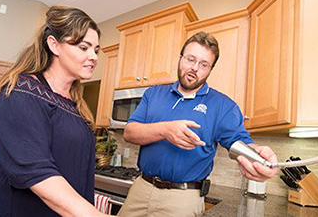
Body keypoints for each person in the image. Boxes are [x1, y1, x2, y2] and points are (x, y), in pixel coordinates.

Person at [118, 31, 279, 217]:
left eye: (203, 64)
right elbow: (129, 132)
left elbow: (239, 140)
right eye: (190, 59)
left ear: (210, 69)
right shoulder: (153, 93)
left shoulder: (223, 106)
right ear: (180, 59)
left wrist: (257, 156)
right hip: (140, 188)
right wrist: (166, 130)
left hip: (183, 199)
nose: (194, 68)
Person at [0, 6, 113, 217]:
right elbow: (37, 173)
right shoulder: (20, 93)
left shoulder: (77, 106)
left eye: (96, 50)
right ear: (54, 45)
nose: (94, 57)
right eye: (83, 47)